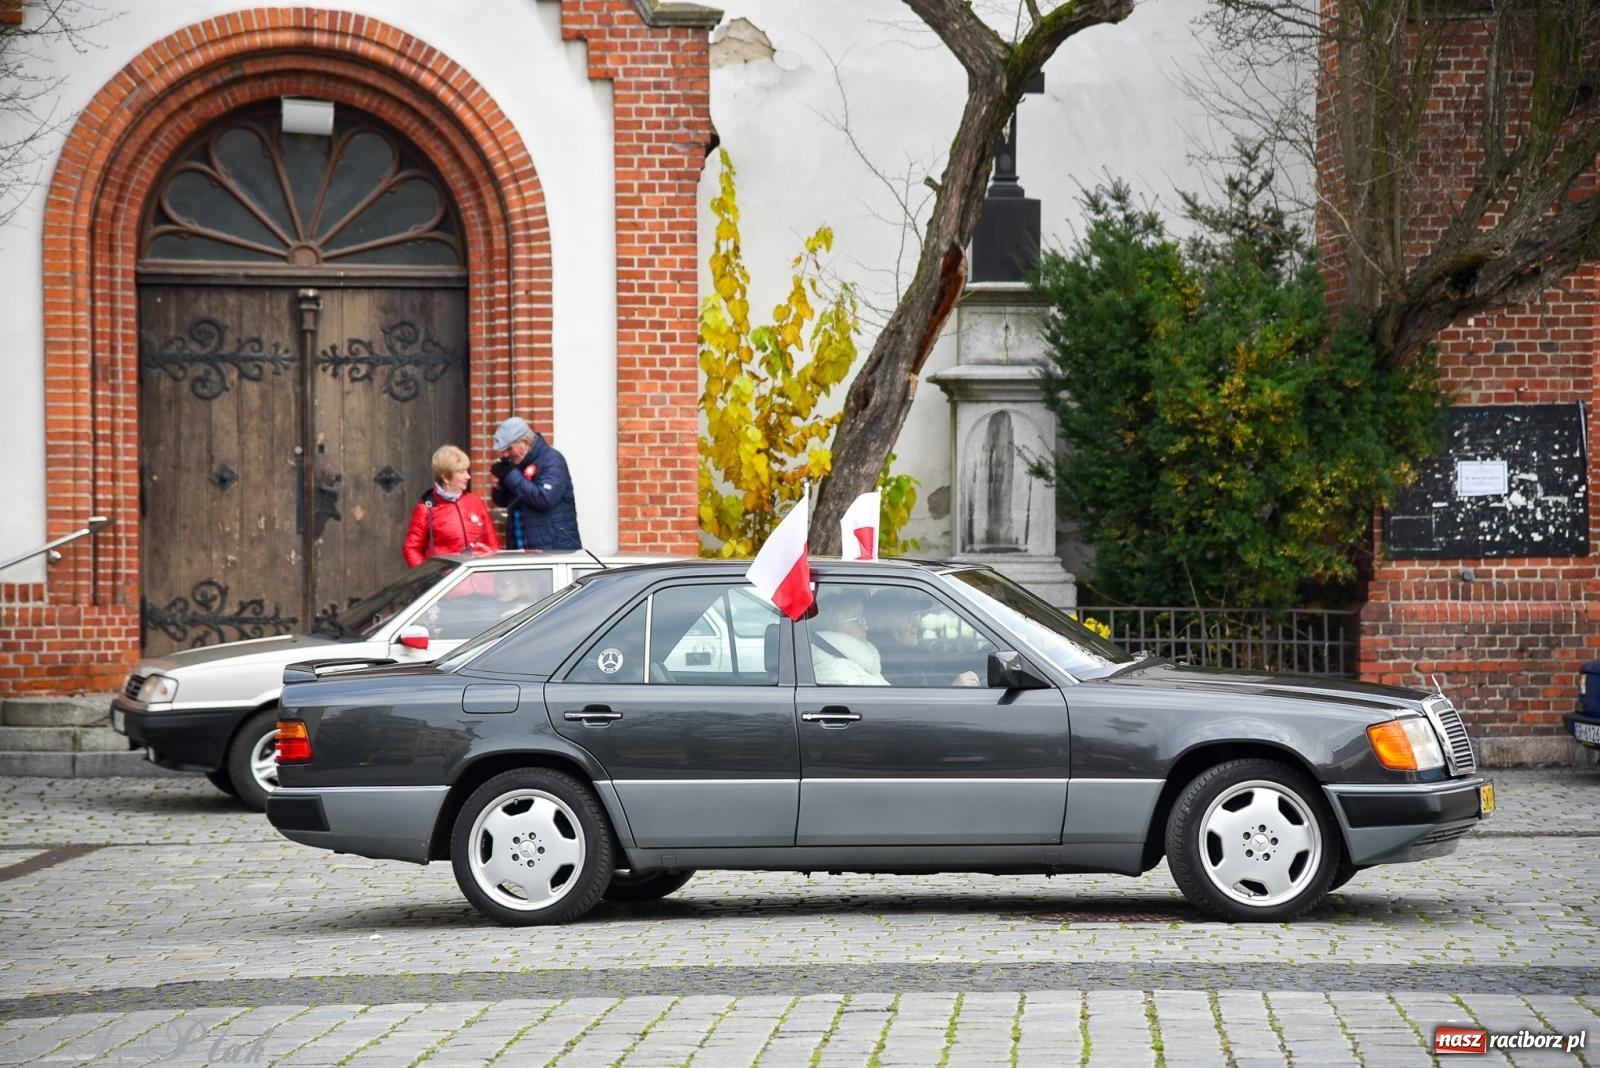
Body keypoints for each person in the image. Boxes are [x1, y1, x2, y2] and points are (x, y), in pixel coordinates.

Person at [489, 416, 582, 550]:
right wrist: (499, 487)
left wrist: (509, 475)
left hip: (553, 548)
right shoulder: (517, 463)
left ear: (526, 442)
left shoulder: (552, 460)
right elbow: (505, 502)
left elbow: (545, 498)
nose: (505, 455)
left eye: (509, 449)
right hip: (520, 544)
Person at [402, 444, 500, 567]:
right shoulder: (427, 509)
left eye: (467, 471)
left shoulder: (476, 502)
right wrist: (429, 576)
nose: (468, 476)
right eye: (461, 472)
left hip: (479, 581)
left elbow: (492, 544)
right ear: (446, 477)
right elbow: (411, 548)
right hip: (449, 581)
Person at [866, 588, 980, 687]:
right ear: (880, 623)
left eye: (916, 615)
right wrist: (954, 689)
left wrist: (985, 655)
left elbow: (948, 663)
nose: (916, 623)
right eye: (907, 617)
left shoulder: (914, 651)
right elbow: (911, 707)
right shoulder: (883, 664)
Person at [811, 590, 887, 685]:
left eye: (863, 619)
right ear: (834, 626)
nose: (866, 627)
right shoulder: (838, 673)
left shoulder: (853, 664)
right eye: (858, 619)